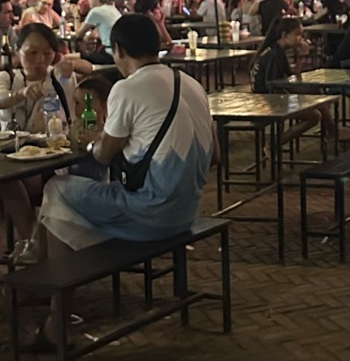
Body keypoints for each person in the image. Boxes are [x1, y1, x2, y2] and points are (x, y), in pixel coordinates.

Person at [37, 13, 216, 255]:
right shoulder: (193, 84)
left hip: (148, 215)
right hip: (188, 213)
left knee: (55, 189)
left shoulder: (127, 88)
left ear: (119, 50)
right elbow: (215, 157)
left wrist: (91, 143)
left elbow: (103, 156)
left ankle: (60, 274)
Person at [0, 22, 93, 133]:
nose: (40, 59)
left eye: (47, 53)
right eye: (33, 52)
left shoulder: (59, 77)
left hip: (59, 141)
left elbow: (88, 69)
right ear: (17, 51)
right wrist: (20, 94)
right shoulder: (7, 78)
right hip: (16, 143)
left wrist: (73, 64)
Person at [252, 17, 331, 146]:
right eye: (297, 35)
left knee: (316, 92)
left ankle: (332, 131)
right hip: (265, 102)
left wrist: (302, 55)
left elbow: (293, 75)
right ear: (285, 35)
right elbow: (273, 86)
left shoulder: (278, 50)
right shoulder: (274, 54)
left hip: (271, 96)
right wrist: (298, 100)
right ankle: (274, 144)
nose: (300, 39)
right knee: (315, 115)